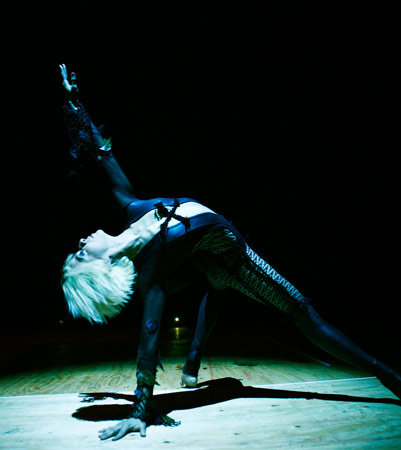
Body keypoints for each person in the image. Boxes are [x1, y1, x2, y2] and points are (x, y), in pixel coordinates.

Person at [59, 64, 401, 441]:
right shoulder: (151, 270)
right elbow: (150, 336)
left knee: (216, 289)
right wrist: (140, 409)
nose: (80, 243)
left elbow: (102, 154)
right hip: (232, 262)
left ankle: (193, 360)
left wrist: (74, 102)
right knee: (301, 312)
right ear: (101, 267)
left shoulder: (128, 207)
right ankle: (387, 373)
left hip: (204, 258)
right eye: (80, 256)